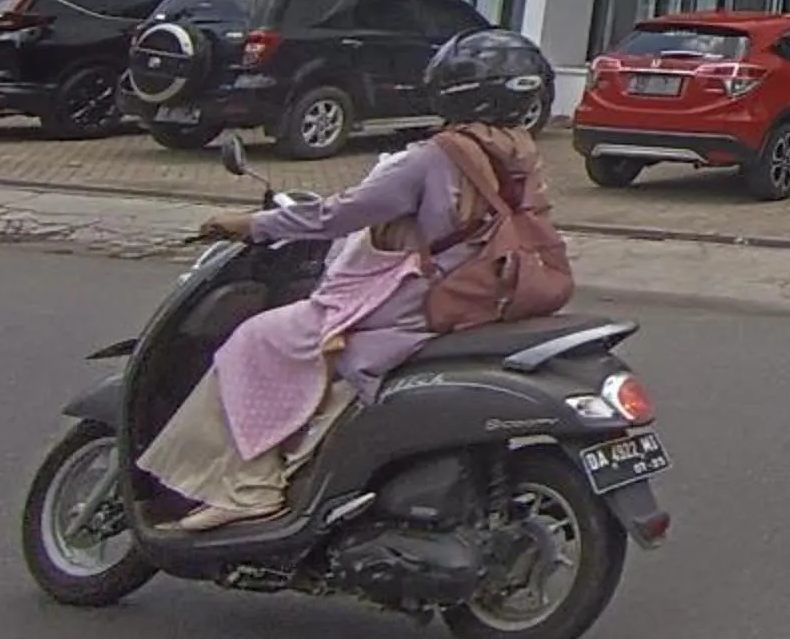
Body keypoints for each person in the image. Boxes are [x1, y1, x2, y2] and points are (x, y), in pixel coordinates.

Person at [137, 29, 558, 532]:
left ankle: (250, 489)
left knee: (258, 337)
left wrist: (251, 224)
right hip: (483, 295)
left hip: (414, 301)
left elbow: (337, 216)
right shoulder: (521, 154)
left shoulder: (432, 158)